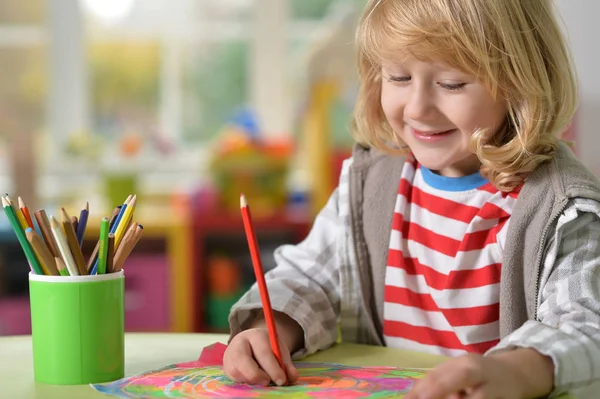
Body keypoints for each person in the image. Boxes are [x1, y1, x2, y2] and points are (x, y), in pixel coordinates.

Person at [224, 0, 600, 398]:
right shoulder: (370, 185)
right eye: (399, 77)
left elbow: (584, 327)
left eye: (452, 83)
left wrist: (519, 373)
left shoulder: (560, 208)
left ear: (520, 81)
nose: (418, 107)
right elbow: (310, 277)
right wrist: (270, 330)